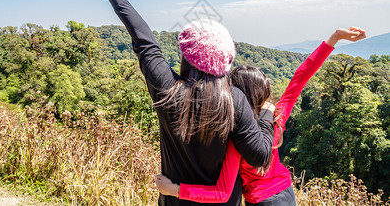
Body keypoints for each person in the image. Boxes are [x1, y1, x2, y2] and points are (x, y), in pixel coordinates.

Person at [84, 0, 276, 206]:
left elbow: (145, 42)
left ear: (186, 56)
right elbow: (259, 155)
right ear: (226, 60)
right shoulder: (234, 100)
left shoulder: (168, 90)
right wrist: (267, 115)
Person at [155, 27, 366, 205]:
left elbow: (221, 192)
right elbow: (300, 77)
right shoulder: (275, 117)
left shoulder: (236, 140)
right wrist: (334, 38)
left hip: (262, 201)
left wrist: (174, 190)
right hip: (287, 193)